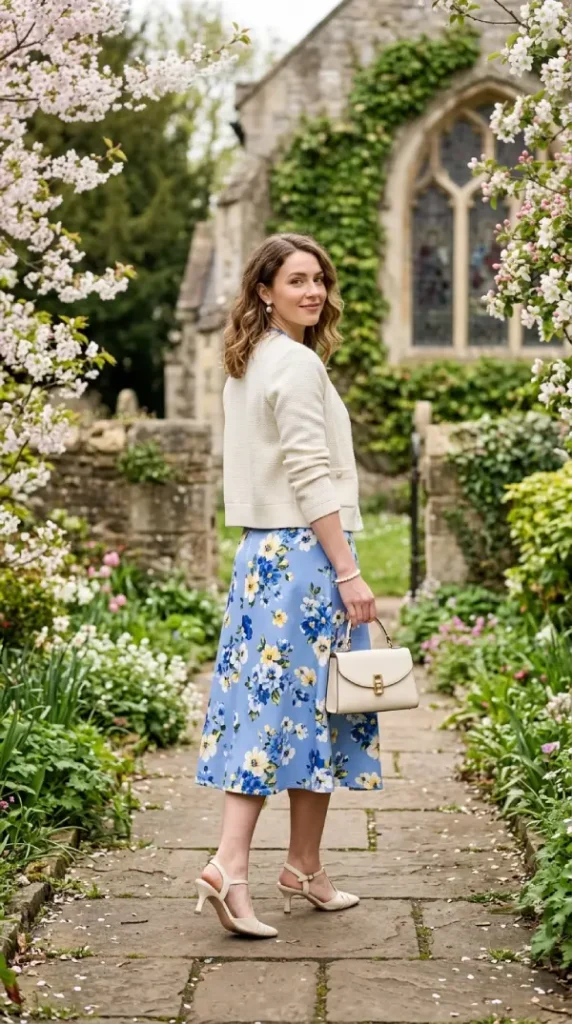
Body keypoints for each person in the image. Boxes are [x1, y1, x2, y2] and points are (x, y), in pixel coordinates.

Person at [194, 232, 382, 938]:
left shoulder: (247, 363)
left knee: (306, 710)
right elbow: (309, 474)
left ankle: (303, 865)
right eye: (297, 280)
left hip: (260, 558)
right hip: (305, 558)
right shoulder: (296, 365)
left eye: (320, 280)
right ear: (264, 291)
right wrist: (349, 571)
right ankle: (228, 866)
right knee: (277, 716)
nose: (314, 292)